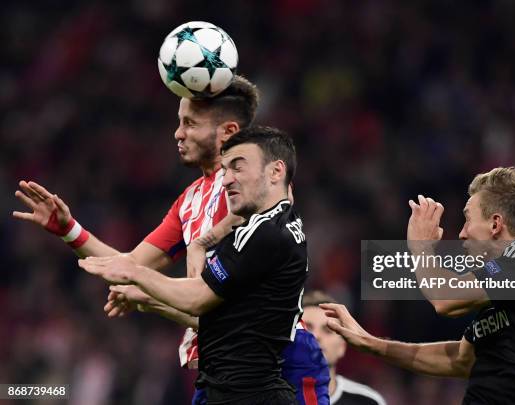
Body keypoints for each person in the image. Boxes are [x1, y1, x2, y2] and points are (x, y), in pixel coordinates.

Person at [13, 77, 329, 404]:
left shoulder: (245, 195)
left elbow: (216, 303)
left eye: (190, 123)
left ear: (228, 132)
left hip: (277, 358)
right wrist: (69, 229)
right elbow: (130, 264)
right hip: (220, 363)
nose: (178, 133)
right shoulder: (190, 199)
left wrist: (145, 290)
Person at [322, 167, 515, 404]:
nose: (462, 233)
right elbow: (461, 358)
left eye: (467, 218)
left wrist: (421, 246)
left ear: (496, 224)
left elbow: (445, 299)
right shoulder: (507, 296)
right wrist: (373, 344)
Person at [79, 126, 308, 405]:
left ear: (276, 171)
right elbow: (218, 318)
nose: (226, 180)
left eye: (238, 167)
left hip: (248, 393)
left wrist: (135, 273)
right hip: (239, 390)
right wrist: (148, 299)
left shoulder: (263, 234)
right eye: (225, 170)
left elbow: (197, 298)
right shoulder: (280, 224)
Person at [302, 291, 386, 405]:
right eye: (306, 328)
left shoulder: (368, 402)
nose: (316, 336)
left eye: (328, 330)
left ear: (342, 346)